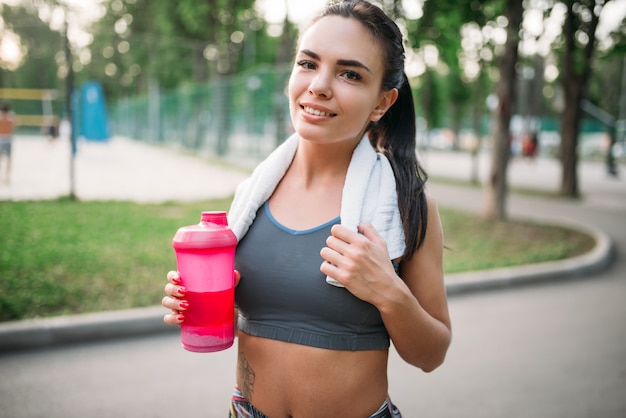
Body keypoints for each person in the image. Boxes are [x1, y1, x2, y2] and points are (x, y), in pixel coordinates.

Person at [162, 1, 451, 416]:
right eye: (308, 63)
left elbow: (432, 354)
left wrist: (388, 292)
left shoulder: (408, 206)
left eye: (349, 73)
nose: (319, 85)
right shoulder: (251, 195)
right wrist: (198, 300)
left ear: (382, 103)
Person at [0, 101, 17, 182]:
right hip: (8, 139)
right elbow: (14, 125)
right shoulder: (11, 117)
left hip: (1, 139)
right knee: (9, 159)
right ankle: (7, 177)